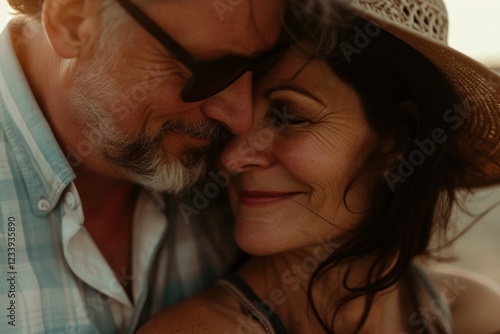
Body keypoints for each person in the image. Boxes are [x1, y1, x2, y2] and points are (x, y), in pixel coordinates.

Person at [138, 0, 500, 333]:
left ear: (398, 142)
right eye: (229, 127)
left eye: (289, 116)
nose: (232, 159)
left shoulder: (474, 313)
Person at [0, 0, 290, 332]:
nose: (241, 118)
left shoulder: (240, 173)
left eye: (262, 65)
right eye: (209, 71)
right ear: (73, 21)